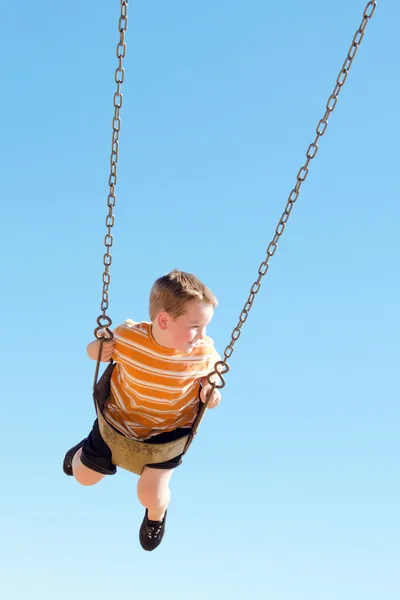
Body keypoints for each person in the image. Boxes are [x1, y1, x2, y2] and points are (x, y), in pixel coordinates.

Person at [63, 270, 221, 551]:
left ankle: (156, 517)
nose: (202, 335)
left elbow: (211, 389)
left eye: (205, 326)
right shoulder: (129, 337)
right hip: (118, 421)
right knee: (83, 478)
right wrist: (99, 348)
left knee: (150, 494)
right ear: (163, 320)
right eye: (196, 326)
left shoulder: (203, 354)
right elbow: (92, 352)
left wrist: (211, 395)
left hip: (167, 434)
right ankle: (84, 447)